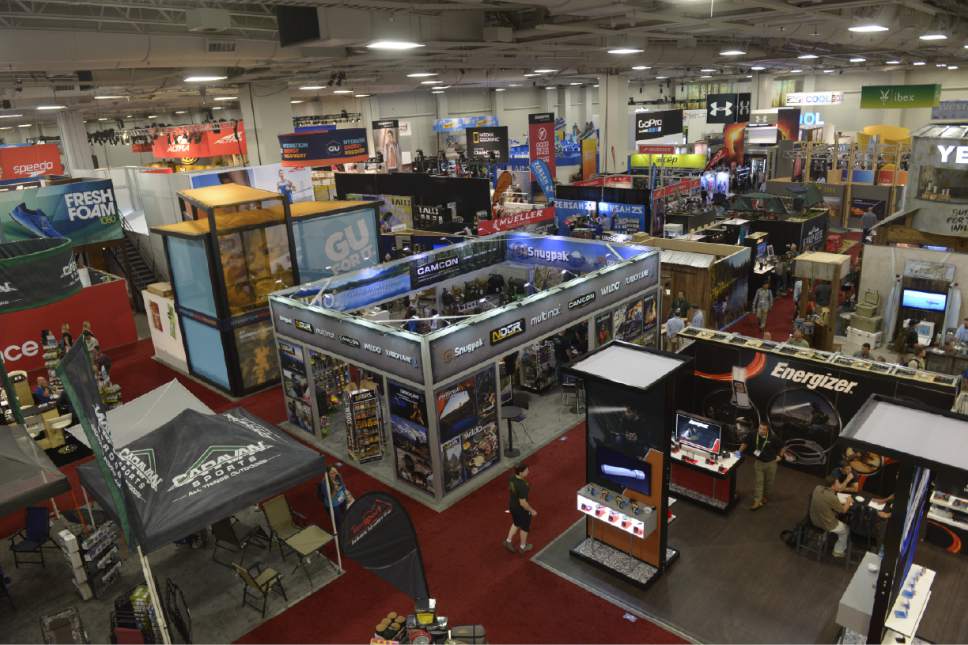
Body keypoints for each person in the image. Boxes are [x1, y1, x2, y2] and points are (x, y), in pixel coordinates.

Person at [740, 421, 786, 510]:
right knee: (759, 482)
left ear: (767, 430)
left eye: (764, 429)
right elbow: (745, 443)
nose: (761, 431)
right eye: (760, 428)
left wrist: (780, 456)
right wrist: (739, 452)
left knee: (769, 483)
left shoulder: (772, 437)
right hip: (759, 463)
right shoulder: (753, 434)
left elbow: (783, 446)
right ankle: (757, 501)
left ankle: (765, 497)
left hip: (771, 464)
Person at [809, 471, 853, 558]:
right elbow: (843, 510)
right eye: (838, 483)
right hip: (826, 523)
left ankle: (821, 540)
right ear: (833, 485)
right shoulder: (832, 497)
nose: (839, 485)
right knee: (846, 530)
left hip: (813, 519)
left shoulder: (817, 488)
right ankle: (838, 551)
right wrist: (848, 500)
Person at [505, 463, 537, 554]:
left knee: (516, 523)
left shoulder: (512, 478)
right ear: (520, 473)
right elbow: (523, 503)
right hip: (521, 509)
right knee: (525, 527)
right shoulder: (522, 486)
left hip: (512, 506)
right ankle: (523, 547)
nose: (528, 472)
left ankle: (508, 541)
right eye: (526, 471)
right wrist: (532, 510)